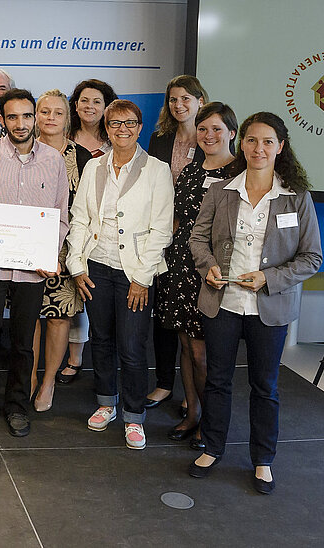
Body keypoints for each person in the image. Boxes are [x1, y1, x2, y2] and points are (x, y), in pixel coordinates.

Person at [187, 112, 322, 494]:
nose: (258, 148)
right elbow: (197, 239)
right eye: (250, 140)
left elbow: (311, 258)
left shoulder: (297, 198)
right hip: (222, 302)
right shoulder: (221, 190)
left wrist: (268, 278)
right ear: (241, 143)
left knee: (265, 386)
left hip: (270, 307)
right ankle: (212, 448)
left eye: (267, 142)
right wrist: (209, 265)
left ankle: (263, 460)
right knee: (218, 380)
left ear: (280, 147)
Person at [0, 89, 69, 437]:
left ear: (35, 117)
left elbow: (61, 216)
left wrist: (48, 253)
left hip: (32, 270)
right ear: (1, 119)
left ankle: (17, 405)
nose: (20, 124)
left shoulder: (53, 161)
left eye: (26, 116)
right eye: (12, 117)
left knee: (23, 343)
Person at [65, 100, 173, 450]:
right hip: (97, 266)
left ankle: (134, 416)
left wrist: (142, 278)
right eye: (115, 124)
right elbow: (79, 218)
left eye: (129, 123)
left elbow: (161, 231)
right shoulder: (95, 167)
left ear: (140, 127)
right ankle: (106, 403)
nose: (122, 129)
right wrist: (76, 265)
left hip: (135, 272)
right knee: (102, 339)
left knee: (132, 345)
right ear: (106, 128)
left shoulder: (157, 170)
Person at [156, 102, 238, 449]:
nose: (209, 135)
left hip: (214, 271)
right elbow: (177, 218)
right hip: (180, 265)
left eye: (217, 129)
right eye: (203, 129)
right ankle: (192, 414)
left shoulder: (241, 173)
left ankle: (211, 421)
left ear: (232, 133)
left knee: (205, 352)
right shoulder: (190, 169)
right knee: (186, 346)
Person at [145, 74, 209, 414]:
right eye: (173, 99)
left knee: (193, 319)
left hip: (198, 240)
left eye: (185, 98)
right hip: (162, 236)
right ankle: (165, 382)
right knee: (164, 312)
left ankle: (194, 390)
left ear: (200, 99)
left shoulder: (210, 137)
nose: (179, 105)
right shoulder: (160, 139)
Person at [31, 89, 93, 410]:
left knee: (57, 318)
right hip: (26, 245)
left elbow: (86, 209)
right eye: (44, 112)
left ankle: (48, 381)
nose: (50, 118)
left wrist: (74, 252)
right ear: (35, 116)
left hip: (66, 250)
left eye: (57, 112)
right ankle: (28, 376)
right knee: (30, 317)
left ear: (67, 119)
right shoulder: (21, 150)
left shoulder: (82, 157)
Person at [69, 79, 118, 158]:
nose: (89, 106)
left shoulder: (115, 143)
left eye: (97, 102)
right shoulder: (63, 140)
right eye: (84, 100)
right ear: (76, 105)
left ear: (106, 107)